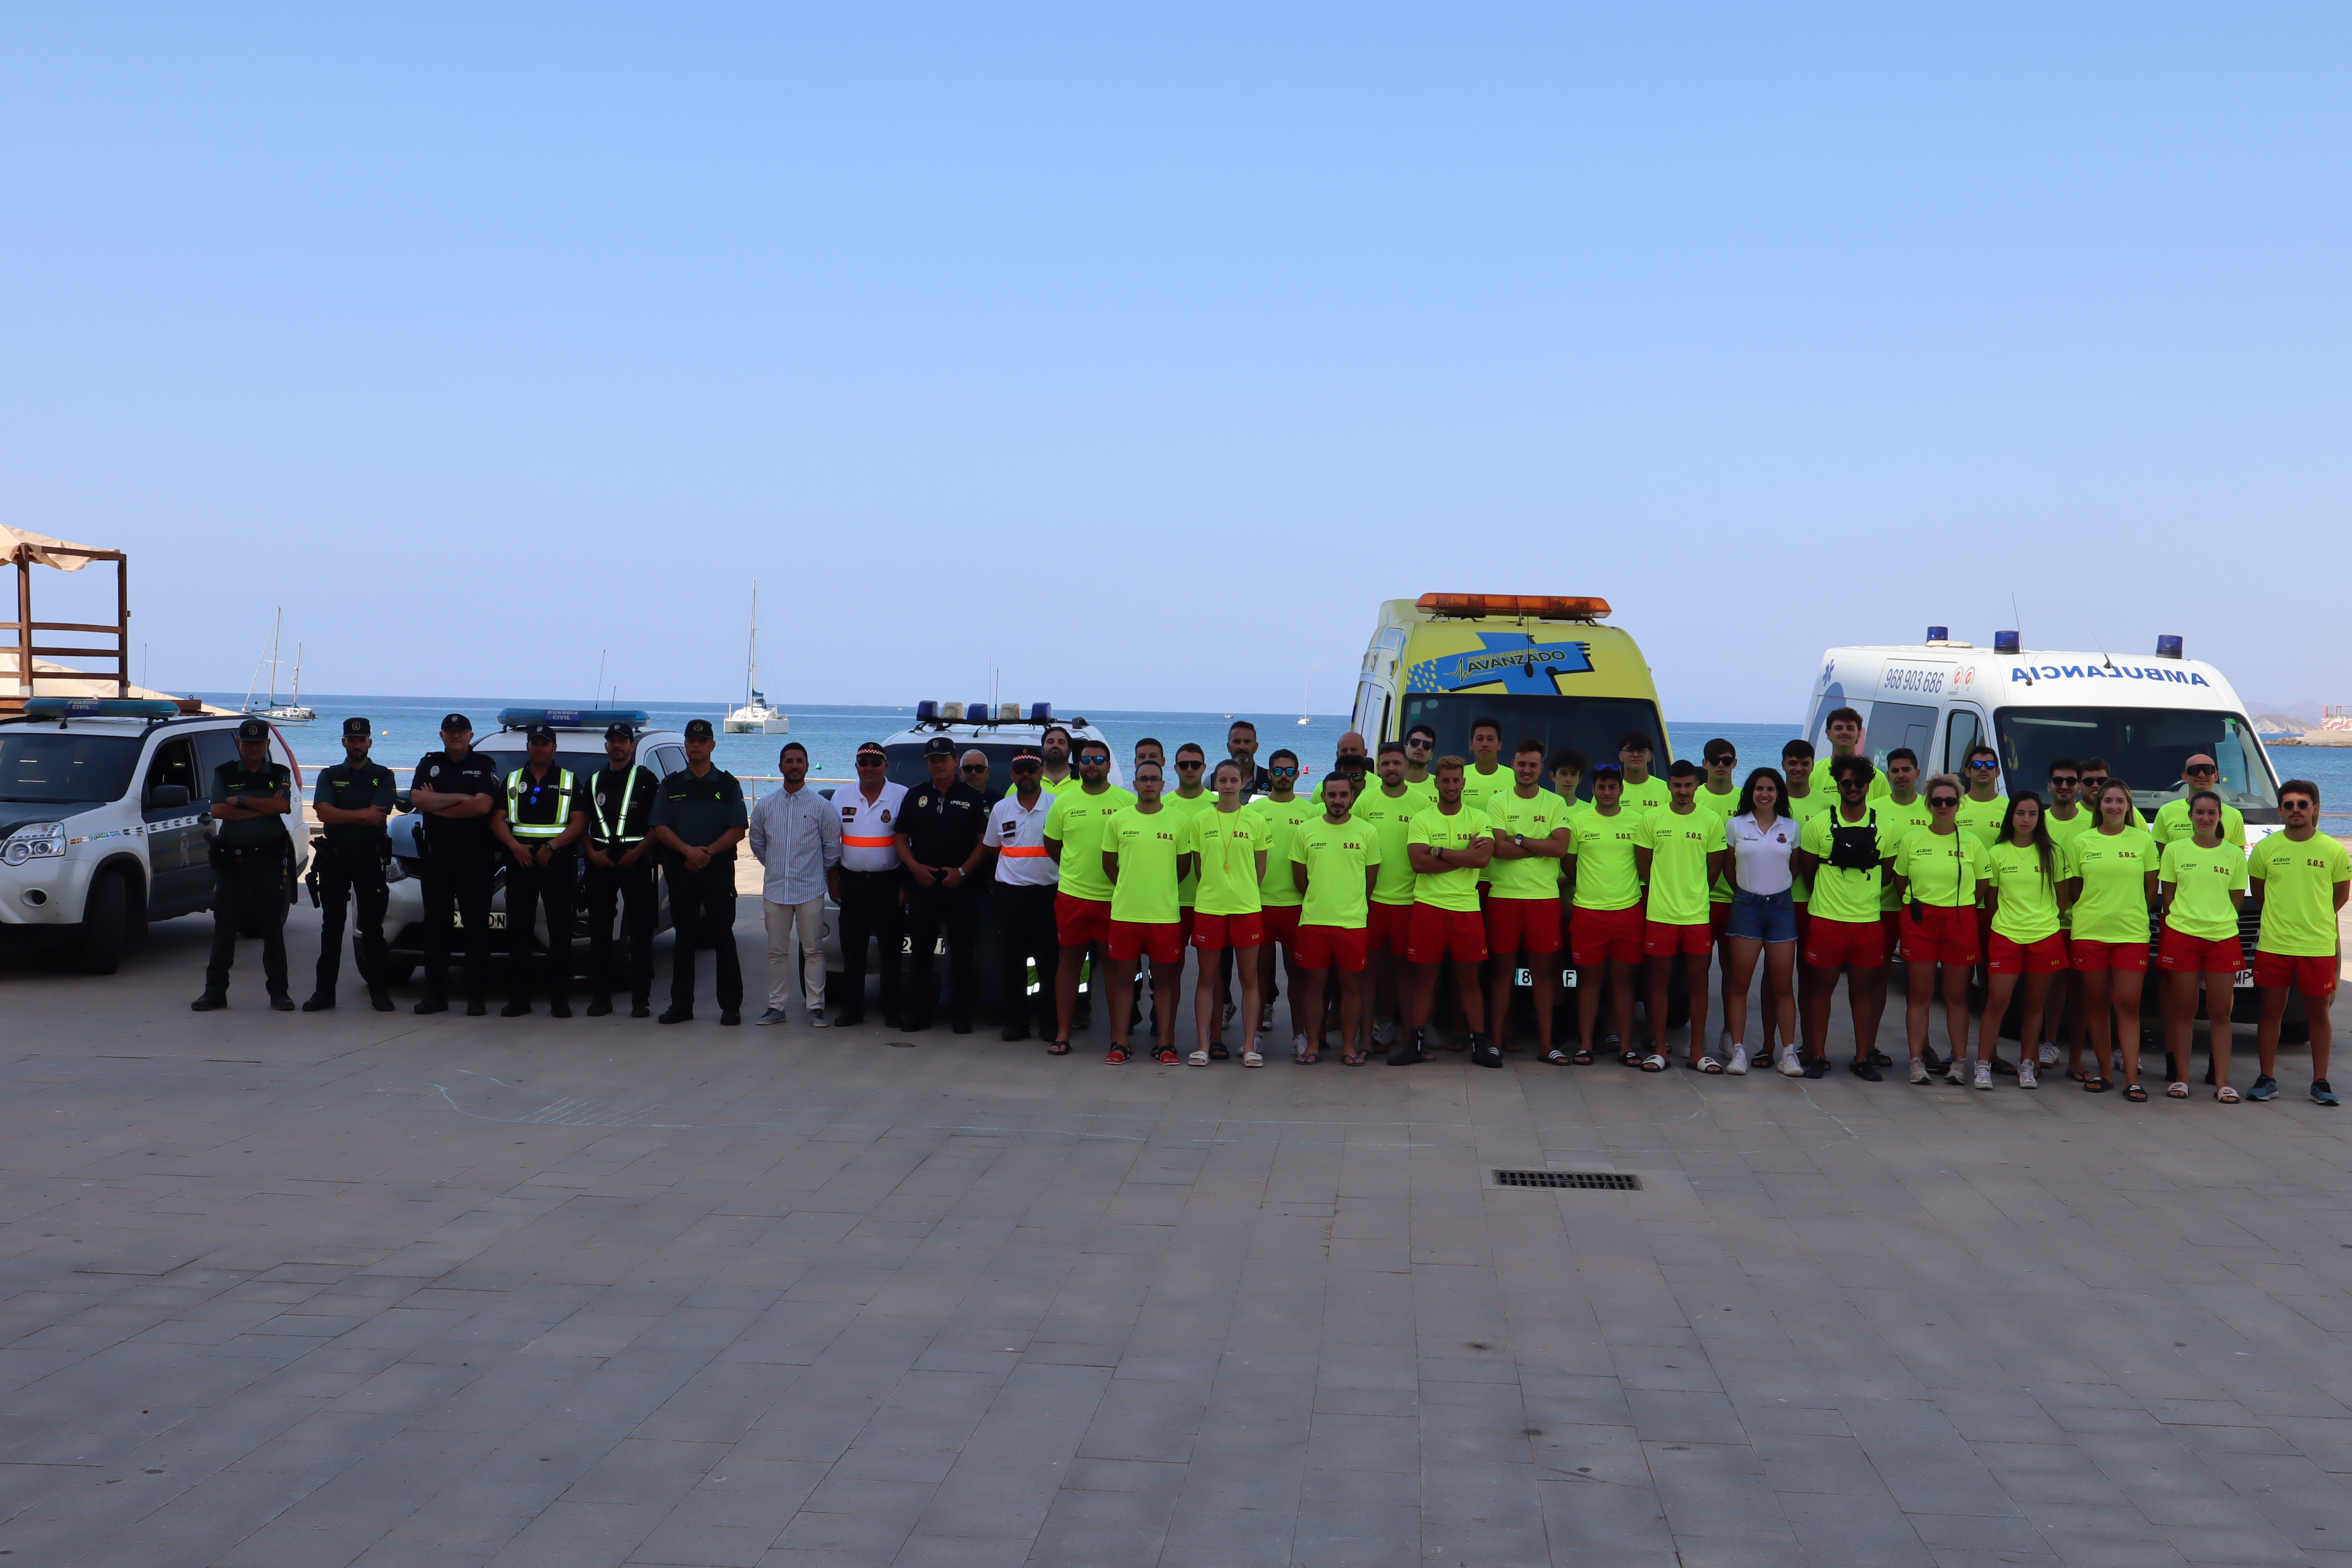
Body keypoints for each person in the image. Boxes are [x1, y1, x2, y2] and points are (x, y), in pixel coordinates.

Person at [2248, 779, 2350, 1105]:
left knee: (2318, 1014)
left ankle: (2321, 1082)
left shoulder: (2333, 850)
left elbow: (2340, 896)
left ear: (2315, 809)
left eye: (2303, 804)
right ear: (2280, 810)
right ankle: (2267, 1079)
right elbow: (2261, 894)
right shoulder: (2265, 849)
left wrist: (2315, 919)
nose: (2296, 810)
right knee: (2271, 1012)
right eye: (2289, 805)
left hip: (2317, 947)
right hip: (2275, 945)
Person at [1796, 756, 1897, 1080]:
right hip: (1826, 920)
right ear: (1837, 786)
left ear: (1869, 786)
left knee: (1863, 990)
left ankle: (1862, 1057)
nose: (1853, 788)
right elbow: (1808, 872)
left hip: (1867, 922)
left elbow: (1887, 877)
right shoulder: (1817, 825)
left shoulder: (1887, 827)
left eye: (1859, 783)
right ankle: (1817, 1055)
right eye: (1846, 783)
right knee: (1820, 988)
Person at [2060, 779, 2158, 1097]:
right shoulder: (2082, 841)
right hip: (2090, 933)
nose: (2114, 806)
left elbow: (2150, 890)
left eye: (2120, 801)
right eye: (2108, 801)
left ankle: (2131, 1078)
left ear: (2128, 807)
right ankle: (2105, 1073)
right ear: (2099, 805)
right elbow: (2076, 891)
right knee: (2097, 1004)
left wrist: (2129, 911)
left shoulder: (2143, 841)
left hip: (2131, 934)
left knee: (2127, 1004)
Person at [192, 716, 296, 1011]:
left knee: (272, 929)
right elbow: (218, 810)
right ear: (239, 743)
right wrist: (262, 807)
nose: (254, 748)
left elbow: (282, 805)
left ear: (267, 743)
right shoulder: (224, 772)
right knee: (225, 929)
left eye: (259, 743)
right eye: (248, 743)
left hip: (268, 860)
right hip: (234, 861)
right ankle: (215, 993)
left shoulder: (279, 772)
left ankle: (279, 993)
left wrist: (240, 800)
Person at [649, 718, 748, 1025]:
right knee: (684, 937)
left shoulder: (727, 785)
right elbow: (660, 826)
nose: (696, 745)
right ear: (686, 745)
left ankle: (730, 1006)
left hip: (718, 871)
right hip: (682, 870)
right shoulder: (672, 785)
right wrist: (687, 852)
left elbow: (738, 829)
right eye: (691, 740)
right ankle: (681, 1006)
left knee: (723, 936)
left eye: (702, 741)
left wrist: (707, 853)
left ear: (712, 746)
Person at [1889, 776, 1985, 1085]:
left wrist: (1959, 908)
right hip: (1921, 920)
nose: (1944, 806)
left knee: (1957, 995)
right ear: (1928, 805)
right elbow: (1900, 881)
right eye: (1938, 801)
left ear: (1959, 805)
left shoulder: (1972, 842)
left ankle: (1959, 1061)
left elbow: (1983, 885)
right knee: (1920, 994)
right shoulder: (1912, 840)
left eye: (1951, 801)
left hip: (1959, 919)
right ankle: (1916, 1060)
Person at [1399, 756, 1492, 1066]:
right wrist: (1463, 856)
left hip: (1466, 908)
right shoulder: (1422, 819)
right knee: (1424, 980)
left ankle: (1480, 1048)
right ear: (1436, 783)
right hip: (1429, 907)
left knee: (1470, 981)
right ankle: (1413, 1047)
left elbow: (1482, 860)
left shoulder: (1479, 818)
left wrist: (1439, 851)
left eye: (1456, 781)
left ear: (1464, 783)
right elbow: (1418, 863)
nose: (1451, 786)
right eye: (1446, 780)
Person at [1043, 739, 1133, 1054]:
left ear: (1109, 765)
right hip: (1073, 897)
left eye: (1098, 760)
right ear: (1077, 764)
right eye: (1086, 760)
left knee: (1114, 969)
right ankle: (1063, 1034)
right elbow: (1053, 845)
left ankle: (1118, 1038)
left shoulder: (1126, 802)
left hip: (1114, 899)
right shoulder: (1064, 802)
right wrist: (1075, 871)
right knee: (1069, 964)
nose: (1091, 765)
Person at [2156, 790, 2249, 1100]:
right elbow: (2169, 896)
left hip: (2222, 938)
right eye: (2200, 812)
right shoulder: (2174, 850)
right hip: (2183, 936)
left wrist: (2216, 920)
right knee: (2184, 1010)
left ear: (2220, 817)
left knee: (2221, 1012)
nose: (2205, 818)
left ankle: (2222, 1083)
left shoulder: (2234, 855)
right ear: (2191, 816)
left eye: (2212, 813)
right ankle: (2182, 1079)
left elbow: (2236, 900)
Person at [408, 713, 502, 1017]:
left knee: (476, 928)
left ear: (471, 735)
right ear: (442, 736)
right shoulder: (429, 763)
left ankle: (477, 997)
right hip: (437, 856)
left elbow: (483, 806)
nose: (456, 735)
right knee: (436, 927)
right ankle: (436, 996)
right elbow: (418, 800)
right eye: (450, 731)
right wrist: (462, 798)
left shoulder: (484, 764)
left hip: (475, 856)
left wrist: (439, 805)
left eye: (462, 731)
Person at [894, 738, 990, 1033]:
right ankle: (919, 1014)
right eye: (933, 759)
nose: (938, 764)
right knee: (921, 953)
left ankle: (961, 1015)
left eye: (944, 758)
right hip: (923, 884)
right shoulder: (915, 796)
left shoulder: (971, 797)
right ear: (928, 763)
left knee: (961, 952)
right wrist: (914, 868)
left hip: (958, 886)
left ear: (955, 761)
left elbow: (984, 841)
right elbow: (900, 837)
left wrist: (962, 872)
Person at [491, 724, 586, 1017]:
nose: (539, 748)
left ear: (554, 748)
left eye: (545, 743)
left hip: (557, 864)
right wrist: (515, 847)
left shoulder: (569, 780)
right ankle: (519, 1000)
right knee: (519, 933)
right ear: (528, 747)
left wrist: (551, 847)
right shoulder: (513, 779)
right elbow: (497, 820)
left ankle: (560, 1001)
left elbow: (579, 822)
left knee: (560, 933)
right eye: (535, 742)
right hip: (521, 864)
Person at [303, 716, 396, 1013]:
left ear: (370, 742)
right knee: (331, 928)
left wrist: (342, 813)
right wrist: (360, 815)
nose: (357, 744)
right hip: (335, 858)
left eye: (362, 740)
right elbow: (323, 813)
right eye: (352, 740)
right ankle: (324, 994)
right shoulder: (330, 775)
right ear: (344, 742)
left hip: (369, 858)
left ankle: (380, 993)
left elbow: (378, 817)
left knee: (372, 928)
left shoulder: (383, 775)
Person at [1289, 771, 1382, 1065]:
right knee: (1314, 986)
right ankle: (1313, 1045)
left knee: (1351, 987)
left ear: (1353, 797)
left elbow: (1370, 880)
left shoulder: (1367, 832)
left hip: (1352, 924)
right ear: (1323, 797)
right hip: (1314, 922)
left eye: (1344, 795)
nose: (1338, 800)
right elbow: (1300, 879)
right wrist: (1320, 901)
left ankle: (1349, 1047)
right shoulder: (1306, 831)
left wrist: (1351, 905)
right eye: (1332, 795)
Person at [1484, 739, 1569, 1058]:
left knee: (1544, 973)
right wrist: (1539, 845)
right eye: (1521, 764)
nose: (1527, 770)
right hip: (1504, 896)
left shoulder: (1555, 803)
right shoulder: (1498, 801)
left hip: (1543, 898)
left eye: (1533, 765)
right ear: (1513, 765)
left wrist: (1518, 839)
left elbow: (1560, 848)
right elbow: (1497, 849)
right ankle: (1495, 1042)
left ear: (1542, 768)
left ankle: (1547, 1045)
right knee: (1502, 972)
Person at [748, 740, 842, 1028]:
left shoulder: (822, 807)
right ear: (780, 767)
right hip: (776, 890)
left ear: (807, 766)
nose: (794, 766)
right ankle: (776, 1006)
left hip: (810, 890)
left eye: (800, 761)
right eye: (789, 761)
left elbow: (832, 849)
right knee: (776, 952)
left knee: (813, 950)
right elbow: (757, 842)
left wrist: (813, 872)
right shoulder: (765, 806)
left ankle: (816, 1007)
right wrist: (776, 867)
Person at [1102, 759, 1188, 1065]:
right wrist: (1132, 888)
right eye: (1143, 779)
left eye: (1154, 779)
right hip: (1126, 915)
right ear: (1135, 784)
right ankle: (1120, 1043)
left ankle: (1165, 1044)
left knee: (1163, 982)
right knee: (1124, 980)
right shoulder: (1118, 820)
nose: (1149, 784)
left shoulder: (1179, 820)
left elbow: (1182, 868)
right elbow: (1110, 865)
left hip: (1164, 917)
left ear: (1163, 784)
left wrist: (1159, 889)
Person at [1978, 792, 2066, 1090]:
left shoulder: (2053, 853)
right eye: (2020, 813)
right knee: (1997, 1002)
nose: (2026, 819)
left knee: (2034, 1004)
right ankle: (1982, 1066)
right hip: (2007, 936)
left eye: (2032, 814)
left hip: (2044, 936)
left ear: (2040, 818)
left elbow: (2063, 899)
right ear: (2011, 817)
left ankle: (2028, 1065)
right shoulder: (1997, 853)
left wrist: (2045, 920)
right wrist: (2008, 923)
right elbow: (1991, 900)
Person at [1185, 759, 1270, 1066]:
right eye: (1223, 780)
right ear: (1215, 783)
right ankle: (1203, 1045)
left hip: (1246, 909)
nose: (1229, 786)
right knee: (1207, 978)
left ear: (1243, 783)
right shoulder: (1200, 820)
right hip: (1210, 908)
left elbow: (1260, 869)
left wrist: (1242, 892)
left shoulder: (1256, 820)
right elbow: (1199, 868)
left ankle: (1249, 1047)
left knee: (1249, 979)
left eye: (1234, 780)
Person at [1636, 760, 1716, 1070]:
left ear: (1697, 785)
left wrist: (1694, 894)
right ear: (1668, 785)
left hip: (1697, 917)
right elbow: (1644, 864)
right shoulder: (1652, 818)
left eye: (1688, 785)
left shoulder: (1710, 820)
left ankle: (1696, 1051)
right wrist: (1663, 892)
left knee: (1699, 984)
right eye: (1677, 785)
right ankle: (1659, 1050)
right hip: (1660, 916)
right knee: (1658, 984)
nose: (1683, 791)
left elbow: (1714, 868)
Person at [1720, 767, 1800, 1076]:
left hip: (1781, 909)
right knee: (1740, 983)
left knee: (1783, 984)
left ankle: (1788, 1054)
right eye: (1759, 789)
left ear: (1778, 793)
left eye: (1770, 789)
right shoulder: (1736, 825)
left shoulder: (1791, 827)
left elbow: (1795, 867)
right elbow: (1729, 866)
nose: (1764, 794)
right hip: (1747, 909)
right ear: (1750, 792)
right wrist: (1745, 893)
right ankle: (1738, 1050)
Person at [1564, 764, 1642, 1068]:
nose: (1607, 793)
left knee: (1623, 983)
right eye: (1601, 787)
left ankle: (1626, 1047)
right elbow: (1569, 865)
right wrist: (1588, 889)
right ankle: (1585, 1045)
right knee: (1589, 982)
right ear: (1593, 790)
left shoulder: (1638, 822)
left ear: (1621, 790)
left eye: (1612, 787)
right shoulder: (1579, 822)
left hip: (1627, 913)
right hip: (1588, 913)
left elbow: (1644, 864)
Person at [582, 721, 659, 1018]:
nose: (617, 745)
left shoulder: (646, 779)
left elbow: (659, 824)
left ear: (632, 746)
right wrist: (592, 853)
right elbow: (581, 822)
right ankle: (601, 999)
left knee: (640, 933)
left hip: (635, 860)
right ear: (606, 746)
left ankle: (641, 1000)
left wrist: (637, 853)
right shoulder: (594, 780)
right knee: (600, 932)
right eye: (612, 740)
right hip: (601, 861)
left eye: (622, 741)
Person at [1353, 741, 1426, 1049]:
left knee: (1406, 975)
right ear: (1378, 768)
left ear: (1407, 767)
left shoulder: (1422, 803)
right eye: (1386, 764)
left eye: (1397, 763)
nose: (1391, 768)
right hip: (1371, 903)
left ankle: (1410, 1040)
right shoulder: (1365, 802)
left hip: (1409, 902)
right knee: (1367, 974)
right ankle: (1366, 1040)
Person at [985, 750, 1060, 1043]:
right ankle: (1015, 1023)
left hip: (1048, 896)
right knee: (1011, 961)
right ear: (1012, 774)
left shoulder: (1056, 806)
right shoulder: (1001, 809)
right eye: (1020, 769)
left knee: (1048, 962)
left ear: (1041, 771)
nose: (1025, 774)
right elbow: (994, 847)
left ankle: (1049, 1023)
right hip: (1011, 896)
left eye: (1031, 768)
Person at [834, 743, 909, 1030]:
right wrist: (833, 881)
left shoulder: (901, 795)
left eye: (876, 762)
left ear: (886, 767)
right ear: (856, 766)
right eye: (864, 762)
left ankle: (892, 1010)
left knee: (891, 951)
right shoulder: (841, 796)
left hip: (888, 884)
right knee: (852, 950)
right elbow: (832, 841)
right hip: (852, 884)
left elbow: (911, 843)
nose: (869, 767)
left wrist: (906, 884)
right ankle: (852, 1009)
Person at [1248, 749, 1317, 1050]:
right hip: (1260, 904)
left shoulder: (1311, 812)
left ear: (1298, 774)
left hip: (1298, 906)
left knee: (1298, 976)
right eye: (1278, 771)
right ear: (1269, 774)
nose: (1284, 776)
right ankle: (1254, 1036)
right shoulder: (1254, 812)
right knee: (1258, 975)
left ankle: (1300, 1035)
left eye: (1290, 771)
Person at [2040, 758, 2090, 1074]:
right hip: (2048, 920)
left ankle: (2076, 1057)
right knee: (2053, 986)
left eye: (2071, 781)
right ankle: (2049, 1043)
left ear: (2079, 787)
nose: (2064, 786)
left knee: (2082, 989)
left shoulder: (2091, 823)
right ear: (2049, 786)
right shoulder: (2037, 821)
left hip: (2085, 920)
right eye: (2058, 781)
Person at [1782, 739, 1831, 949]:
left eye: (1805, 763)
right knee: (1776, 962)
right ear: (1783, 765)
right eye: (1792, 763)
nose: (1798, 769)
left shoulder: (1827, 804)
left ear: (1812, 766)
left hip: (1814, 898)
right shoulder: (1770, 801)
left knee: (1809, 960)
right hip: (1777, 897)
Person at [2152, 754, 2248, 847]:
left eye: (2208, 770)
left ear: (2216, 776)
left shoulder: (2235, 816)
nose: (2201, 775)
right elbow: (2162, 856)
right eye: (2195, 770)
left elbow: (2237, 855)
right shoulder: (2166, 812)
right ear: (2185, 777)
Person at [1821, 708, 1892, 801]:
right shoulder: (1813, 774)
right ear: (1829, 733)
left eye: (1850, 728)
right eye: (1839, 728)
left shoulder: (1876, 777)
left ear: (1859, 734)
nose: (1844, 732)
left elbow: (1886, 808)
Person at [1952, 743, 2008, 848]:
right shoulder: (1955, 807)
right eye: (1976, 765)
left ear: (1998, 772)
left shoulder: (2010, 809)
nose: (1983, 768)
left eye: (1989, 765)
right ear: (1968, 772)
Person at [1461, 720, 1511, 817]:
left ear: (1499, 745)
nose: (1485, 744)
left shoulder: (1513, 777)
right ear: (1471, 745)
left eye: (1490, 739)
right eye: (1480, 739)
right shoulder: (1460, 775)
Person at [1616, 732, 1671, 814]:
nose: (1636, 755)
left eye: (1641, 751)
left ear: (1650, 756)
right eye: (1630, 751)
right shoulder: (1610, 790)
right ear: (1621, 756)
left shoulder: (1666, 791)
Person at [1224, 720, 1273, 800]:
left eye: (1247, 742)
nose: (1242, 747)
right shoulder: (1211, 782)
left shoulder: (1271, 781)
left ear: (1256, 747)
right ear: (1229, 747)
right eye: (1237, 742)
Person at [1403, 723, 1439, 787]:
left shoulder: (1440, 786)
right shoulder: (1387, 784)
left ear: (1431, 756)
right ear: (1404, 749)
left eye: (1427, 745)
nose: (1420, 747)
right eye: (1415, 742)